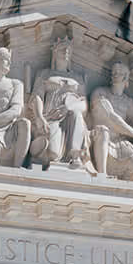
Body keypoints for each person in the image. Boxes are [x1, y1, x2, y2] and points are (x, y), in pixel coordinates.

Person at [27, 38, 91, 169]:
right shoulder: (45, 73)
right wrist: (39, 117)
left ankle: (76, 155)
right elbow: (37, 97)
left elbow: (84, 104)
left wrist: (67, 108)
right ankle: (40, 151)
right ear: (54, 52)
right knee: (53, 153)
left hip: (72, 118)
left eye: (69, 49)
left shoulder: (78, 78)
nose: (66, 51)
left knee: (76, 113)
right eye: (62, 48)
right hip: (51, 117)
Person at [89, 61, 133, 181]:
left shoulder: (128, 102)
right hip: (98, 140)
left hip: (118, 144)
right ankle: (102, 176)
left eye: (119, 73)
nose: (115, 75)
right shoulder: (100, 93)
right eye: (113, 72)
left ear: (126, 78)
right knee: (103, 131)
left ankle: (120, 188)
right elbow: (110, 116)